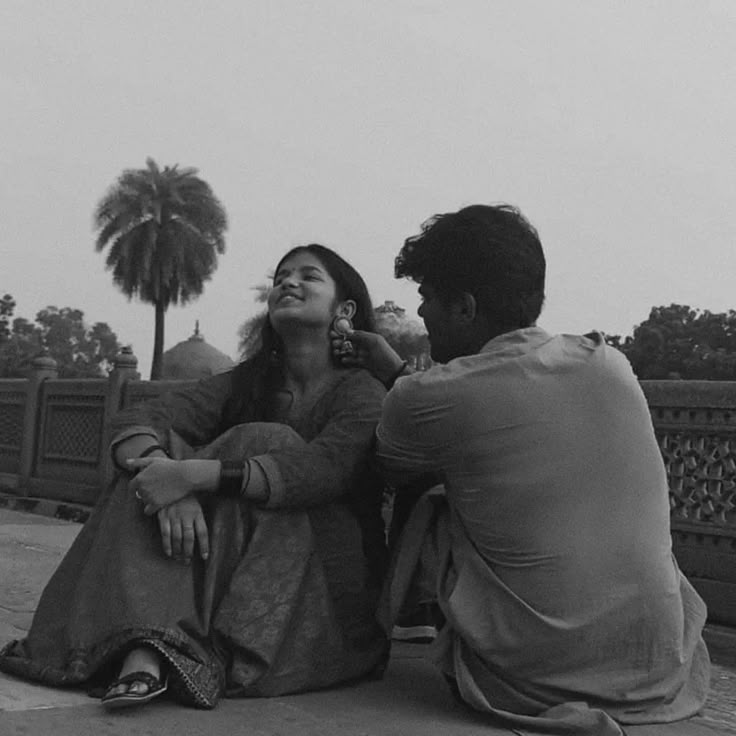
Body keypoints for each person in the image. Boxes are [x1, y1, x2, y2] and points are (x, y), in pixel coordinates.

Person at [335, 204, 710, 735]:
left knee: (434, 500)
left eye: (427, 299)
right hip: (657, 665)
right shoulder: (609, 362)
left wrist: (395, 380)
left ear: (464, 308)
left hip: (536, 679)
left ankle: (372, 633)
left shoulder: (428, 395)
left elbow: (388, 466)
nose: (422, 314)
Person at [0, 244, 389, 710]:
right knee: (146, 467)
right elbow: (137, 419)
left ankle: (167, 644)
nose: (288, 282)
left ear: (344, 309)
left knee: (262, 439)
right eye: (281, 276)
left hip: (327, 587)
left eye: (309, 276)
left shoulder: (363, 392)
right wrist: (171, 487)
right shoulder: (247, 382)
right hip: (246, 552)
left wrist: (193, 475)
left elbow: (323, 471)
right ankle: (146, 649)